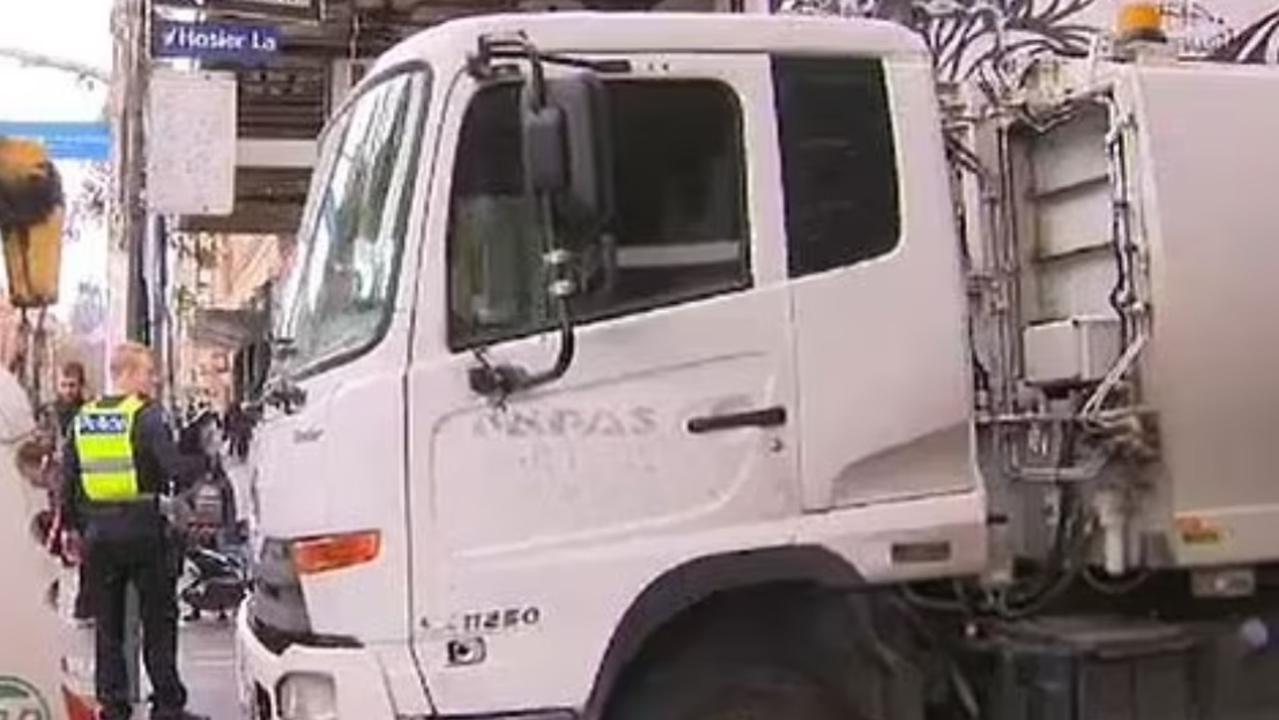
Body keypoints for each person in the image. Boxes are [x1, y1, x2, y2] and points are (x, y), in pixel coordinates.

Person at [60, 342, 209, 720]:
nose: (151, 379)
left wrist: (77, 528)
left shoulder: (84, 419)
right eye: (145, 371)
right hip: (145, 532)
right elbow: (175, 469)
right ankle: (167, 706)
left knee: (108, 628)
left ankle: (113, 706)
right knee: (158, 621)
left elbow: (68, 482)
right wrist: (203, 458)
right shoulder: (146, 417)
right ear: (124, 374)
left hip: (100, 536)